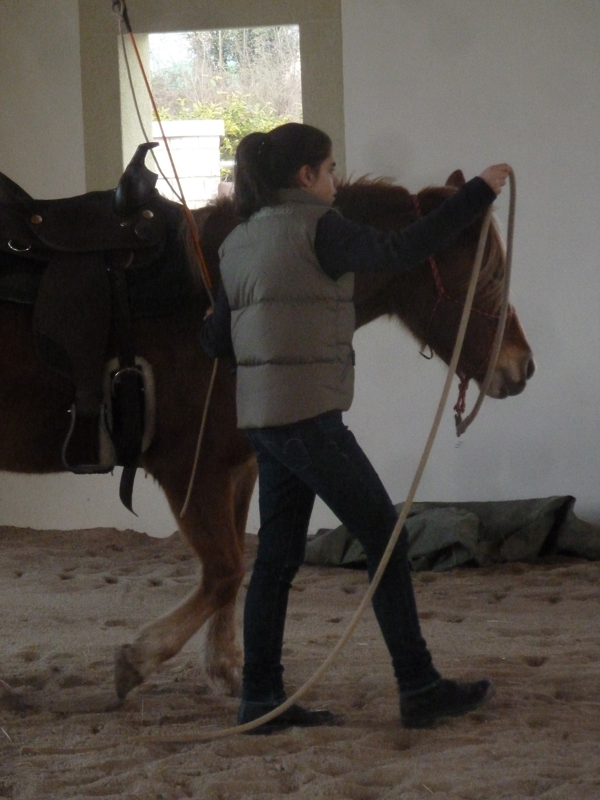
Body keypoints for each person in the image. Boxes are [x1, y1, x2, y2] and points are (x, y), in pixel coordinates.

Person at [200, 122, 510, 734]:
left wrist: (226, 317)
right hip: (309, 420)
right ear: (305, 176)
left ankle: (260, 698)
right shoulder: (322, 228)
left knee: (277, 559)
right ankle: (418, 686)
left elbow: (216, 341)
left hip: (263, 423)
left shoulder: (237, 242)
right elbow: (401, 251)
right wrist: (476, 194)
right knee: (384, 538)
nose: (336, 182)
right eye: (329, 169)